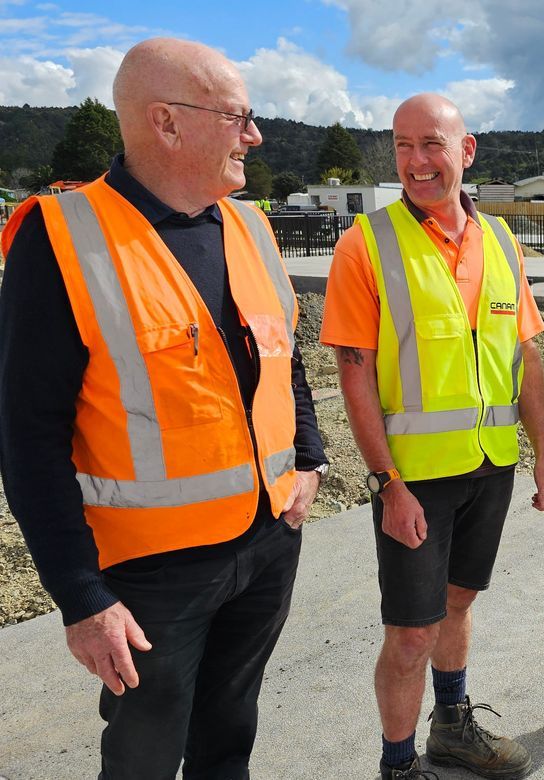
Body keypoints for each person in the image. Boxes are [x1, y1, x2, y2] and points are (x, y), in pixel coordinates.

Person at [0, 38, 327, 779]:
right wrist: (80, 597)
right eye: (238, 117)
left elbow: (286, 359)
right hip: (149, 574)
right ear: (166, 122)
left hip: (267, 542)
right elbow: (27, 437)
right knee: (143, 757)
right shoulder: (63, 238)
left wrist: (309, 458)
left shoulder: (250, 226)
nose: (255, 135)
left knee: (229, 737)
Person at [321, 93, 544, 780]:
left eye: (431, 144)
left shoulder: (502, 241)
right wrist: (387, 484)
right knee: (410, 634)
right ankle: (398, 767)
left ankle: (452, 727)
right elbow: (354, 373)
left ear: (467, 151)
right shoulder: (367, 243)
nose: (416, 161)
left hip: (490, 465)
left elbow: (526, 356)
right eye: (403, 145)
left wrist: (543, 455)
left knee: (458, 602)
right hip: (414, 479)